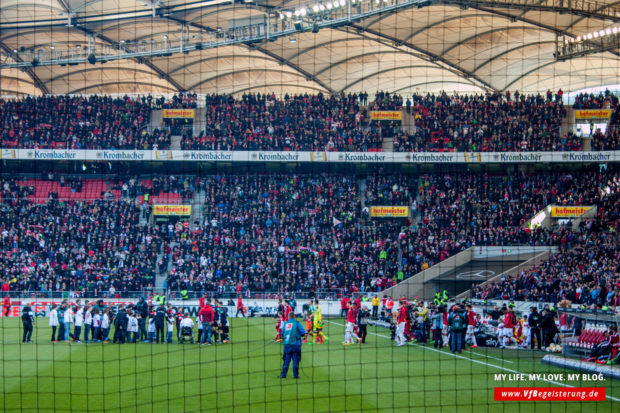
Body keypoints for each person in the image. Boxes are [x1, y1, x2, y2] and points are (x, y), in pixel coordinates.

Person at [278, 312, 306, 379]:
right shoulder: (297, 323)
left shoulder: (285, 324)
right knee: (295, 360)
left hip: (287, 345)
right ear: (294, 317)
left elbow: (281, 334)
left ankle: (283, 375)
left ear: (288, 317)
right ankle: (295, 375)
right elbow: (303, 333)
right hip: (295, 344)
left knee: (286, 360)